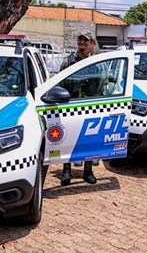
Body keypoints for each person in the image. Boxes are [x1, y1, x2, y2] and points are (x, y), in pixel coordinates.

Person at [59, 32, 97, 186]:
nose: (82, 42)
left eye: (85, 40)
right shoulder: (68, 61)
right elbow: (60, 83)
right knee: (68, 138)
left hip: (90, 106)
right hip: (71, 106)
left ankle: (88, 171)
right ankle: (66, 171)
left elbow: (102, 84)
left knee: (89, 139)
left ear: (92, 43)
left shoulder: (96, 62)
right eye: (80, 39)